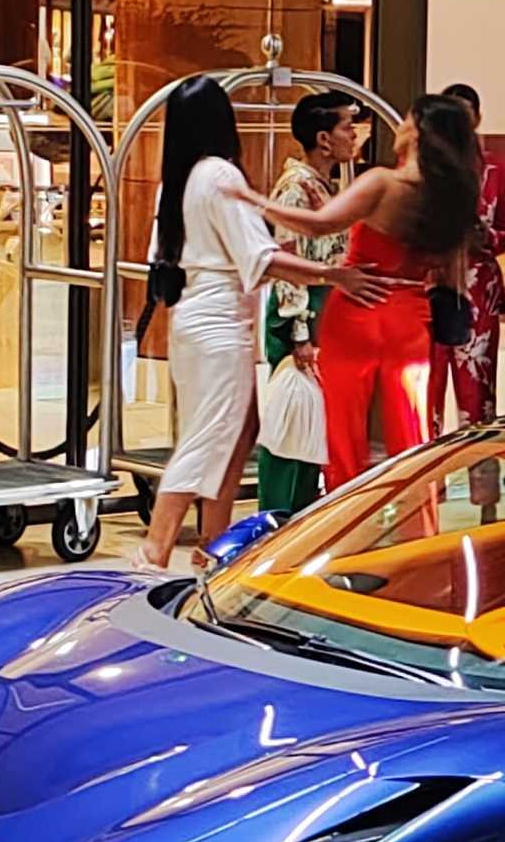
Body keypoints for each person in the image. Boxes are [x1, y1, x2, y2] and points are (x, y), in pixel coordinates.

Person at [139, 78, 383, 569]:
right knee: (208, 436)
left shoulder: (181, 177)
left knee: (240, 429)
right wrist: (332, 276)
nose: (353, 133)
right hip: (218, 322)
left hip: (203, 317)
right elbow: (264, 255)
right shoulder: (215, 175)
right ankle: (154, 550)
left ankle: (211, 547)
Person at [242, 95, 484, 489]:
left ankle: (346, 528)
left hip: (356, 310)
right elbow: (453, 274)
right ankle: (415, 529)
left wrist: (251, 200)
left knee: (344, 437)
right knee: (410, 433)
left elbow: (318, 225)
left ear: (418, 132)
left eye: (406, 118)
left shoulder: (383, 182)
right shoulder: (451, 199)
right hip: (410, 319)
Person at [258, 89, 366, 514]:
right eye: (346, 127)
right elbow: (288, 260)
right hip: (302, 309)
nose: (353, 135)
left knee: (312, 429)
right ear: (324, 138)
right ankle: (277, 518)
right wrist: (299, 329)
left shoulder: (322, 185)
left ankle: (299, 516)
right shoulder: (296, 189)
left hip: (324, 306)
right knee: (293, 428)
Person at [427, 83, 505, 430]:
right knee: (426, 389)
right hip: (431, 283)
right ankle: (427, 480)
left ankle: (480, 476)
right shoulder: (423, 168)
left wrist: (487, 237)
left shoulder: (497, 170)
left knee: (477, 394)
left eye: (465, 116)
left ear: (477, 118)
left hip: (479, 285)